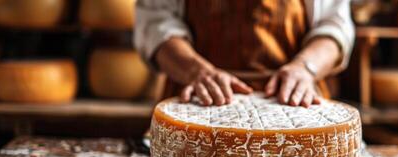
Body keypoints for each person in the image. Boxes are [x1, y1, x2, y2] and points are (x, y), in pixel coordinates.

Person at [135, 0, 354, 107]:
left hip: (295, 99)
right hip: (198, 97)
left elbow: (334, 25)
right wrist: (195, 70)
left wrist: (305, 67)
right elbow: (155, 22)